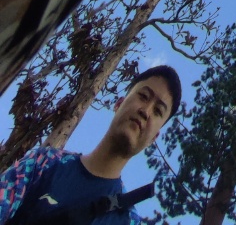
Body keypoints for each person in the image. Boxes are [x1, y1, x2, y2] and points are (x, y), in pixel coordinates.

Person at [0, 66, 181, 225]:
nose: (145, 111)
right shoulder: (44, 163)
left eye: (158, 111)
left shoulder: (128, 221)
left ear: (153, 138)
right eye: (143, 96)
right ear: (118, 104)